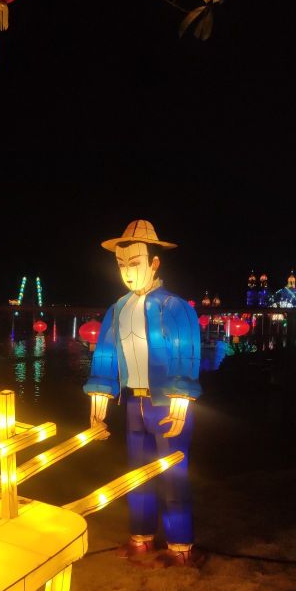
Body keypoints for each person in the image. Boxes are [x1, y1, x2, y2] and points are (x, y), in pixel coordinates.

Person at [83, 219, 201, 566]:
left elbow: (186, 350)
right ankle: (142, 536)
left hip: (166, 404)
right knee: (136, 473)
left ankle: (180, 544)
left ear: (154, 262)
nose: (127, 273)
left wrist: (181, 397)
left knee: (172, 473)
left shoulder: (174, 307)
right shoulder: (117, 310)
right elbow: (104, 353)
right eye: (121, 265)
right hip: (133, 402)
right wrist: (99, 396)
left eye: (134, 263)